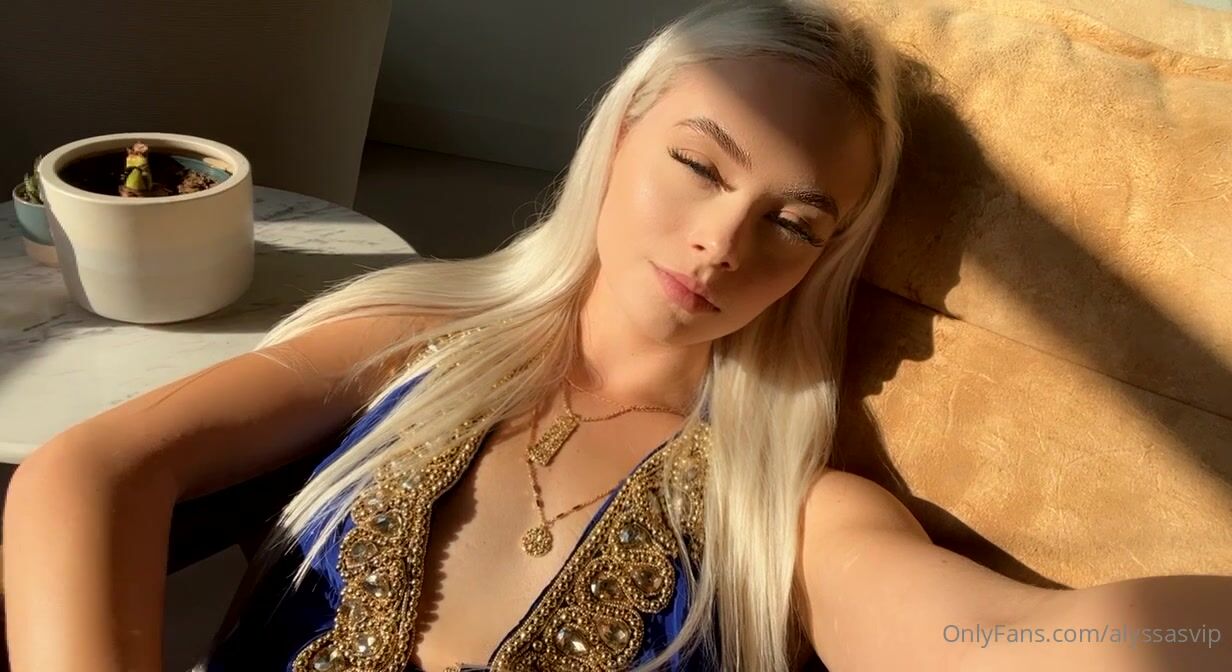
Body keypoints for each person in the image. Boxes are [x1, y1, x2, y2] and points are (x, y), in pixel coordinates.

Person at [4, 1, 1230, 671]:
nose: (718, 242)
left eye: (792, 223)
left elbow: (1002, 645)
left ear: (824, 261)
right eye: (699, 164)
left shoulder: (785, 511)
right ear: (622, 129)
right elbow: (89, 469)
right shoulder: (413, 337)